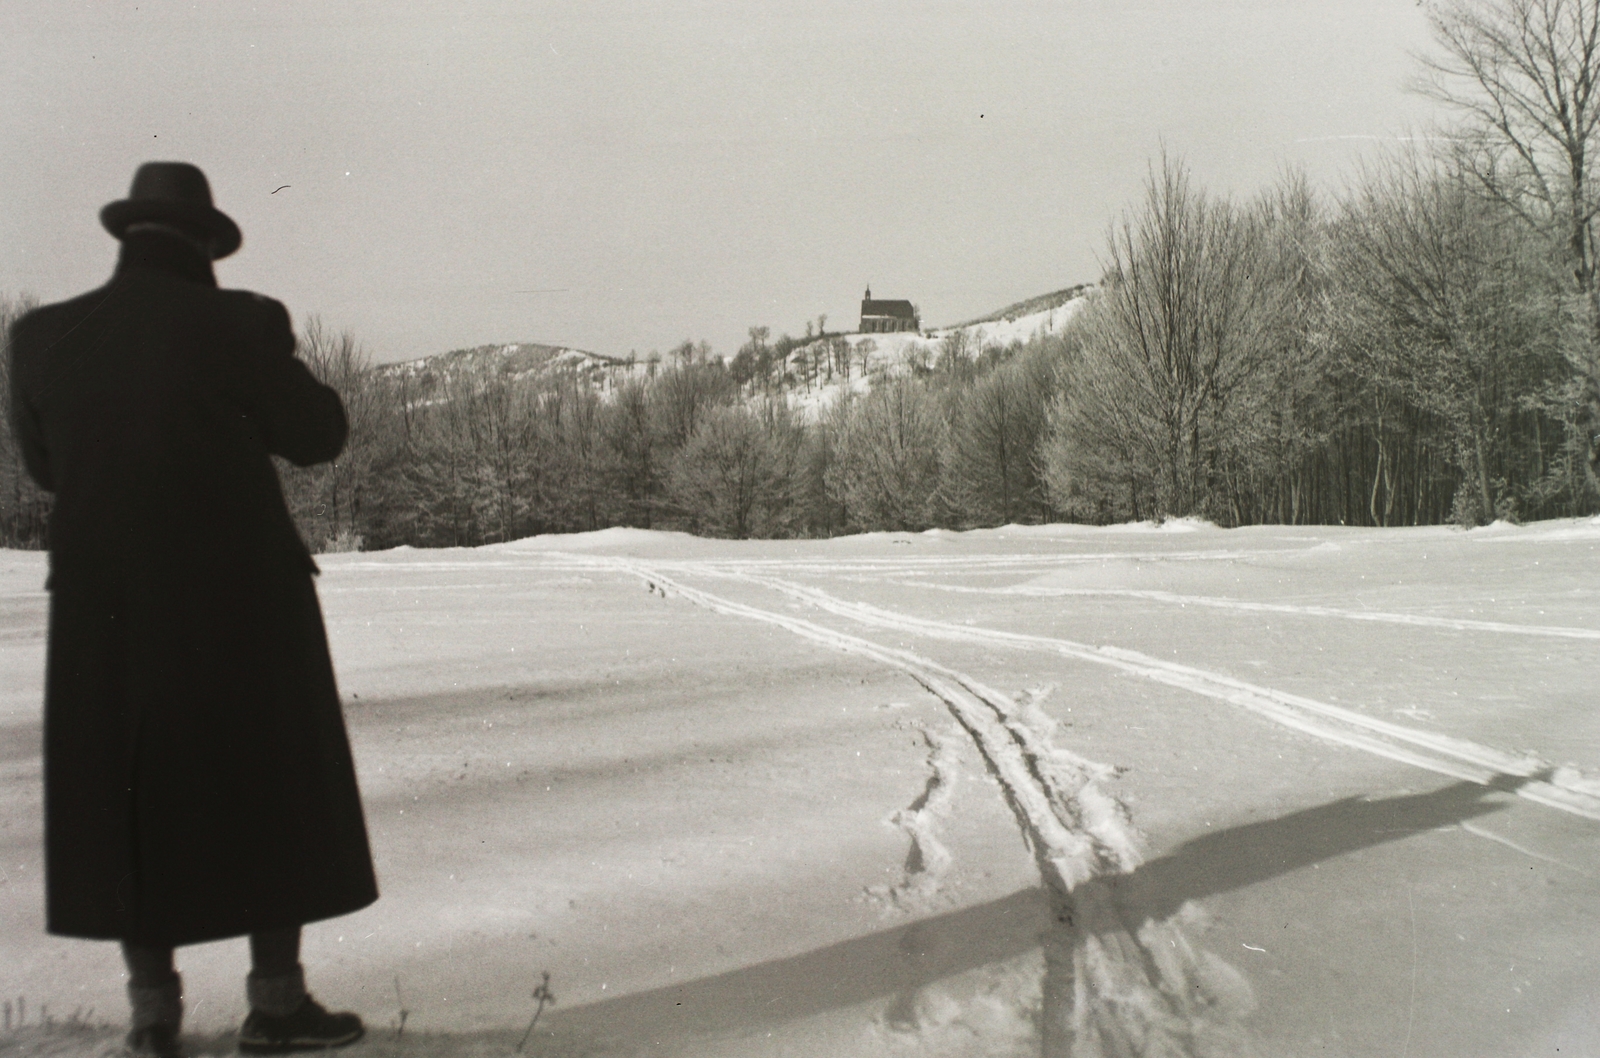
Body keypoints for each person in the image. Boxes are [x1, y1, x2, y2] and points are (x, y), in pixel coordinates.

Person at [7, 162, 379, 1057]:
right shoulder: (241, 321)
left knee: (130, 794)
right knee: (266, 784)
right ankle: (278, 1005)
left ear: (126, 237)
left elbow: (49, 468)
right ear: (206, 247)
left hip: (104, 607)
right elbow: (318, 435)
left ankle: (152, 1015)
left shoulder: (42, 337)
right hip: (241, 598)